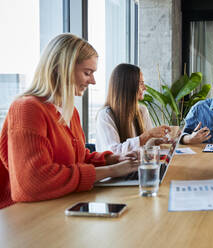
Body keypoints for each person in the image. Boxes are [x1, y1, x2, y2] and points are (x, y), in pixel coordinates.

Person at [0, 34, 139, 209]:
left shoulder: (69, 111)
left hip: (59, 205)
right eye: (87, 73)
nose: (93, 81)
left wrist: (113, 159)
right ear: (60, 68)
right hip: (24, 214)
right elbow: (33, 183)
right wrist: (111, 171)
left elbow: (77, 159)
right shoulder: (27, 108)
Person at [95, 63, 171, 154]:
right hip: (119, 168)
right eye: (141, 83)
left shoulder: (142, 110)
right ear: (128, 86)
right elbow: (113, 152)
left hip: (137, 166)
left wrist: (158, 141)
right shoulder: (105, 115)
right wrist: (147, 135)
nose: (145, 88)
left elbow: (145, 145)